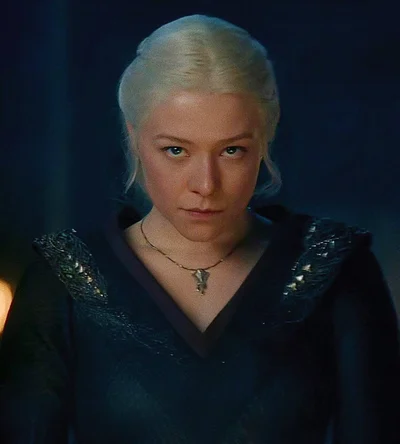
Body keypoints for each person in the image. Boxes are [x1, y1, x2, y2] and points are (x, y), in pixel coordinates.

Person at [0, 14, 399, 444]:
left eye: (232, 150)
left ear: (265, 139)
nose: (206, 185)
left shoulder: (336, 270)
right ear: (134, 138)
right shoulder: (63, 282)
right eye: (176, 150)